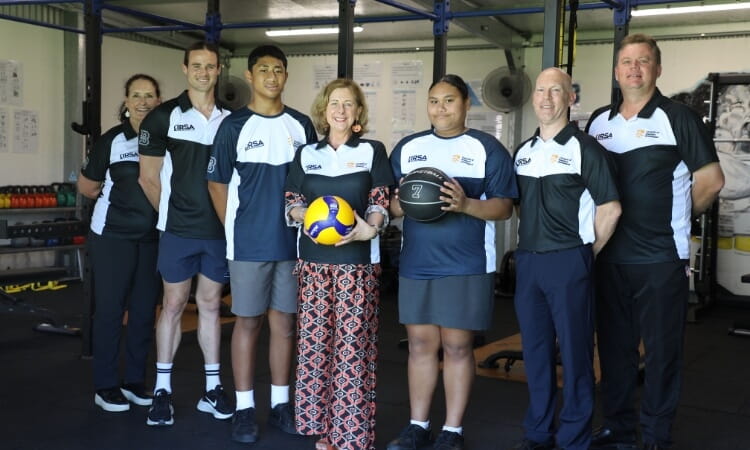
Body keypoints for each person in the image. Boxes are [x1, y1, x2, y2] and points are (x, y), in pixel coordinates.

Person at [586, 34, 725, 450]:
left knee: (663, 352)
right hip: (608, 257)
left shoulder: (679, 117)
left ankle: (656, 435)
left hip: (661, 257)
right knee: (614, 350)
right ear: (616, 71)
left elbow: (711, 181)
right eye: (627, 61)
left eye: (643, 61)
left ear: (657, 69)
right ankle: (618, 427)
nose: (634, 68)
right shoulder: (598, 122)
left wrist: (678, 218)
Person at [387, 74, 517, 450]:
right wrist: (401, 203)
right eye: (433, 101)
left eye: (448, 100)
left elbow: (505, 208)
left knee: (458, 346)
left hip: (466, 263)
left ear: (466, 105)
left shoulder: (486, 148)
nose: (440, 108)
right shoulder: (409, 148)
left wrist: (466, 205)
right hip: (417, 262)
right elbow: (393, 204)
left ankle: (452, 431)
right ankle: (417, 425)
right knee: (420, 345)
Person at [206, 44, 317, 444]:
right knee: (247, 323)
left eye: (280, 70)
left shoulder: (302, 125)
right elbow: (216, 185)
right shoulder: (232, 127)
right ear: (250, 76)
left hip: (293, 245)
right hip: (247, 245)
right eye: (264, 70)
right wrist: (236, 230)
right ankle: (244, 407)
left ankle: (281, 403)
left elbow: (311, 181)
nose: (272, 77)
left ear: (286, 76)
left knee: (285, 324)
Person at [512, 67, 621, 450]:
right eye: (540, 90)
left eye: (555, 91)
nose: (546, 98)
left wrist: (583, 254)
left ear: (570, 97)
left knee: (575, 352)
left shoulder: (585, 148)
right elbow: (520, 209)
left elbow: (610, 209)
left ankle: (574, 437)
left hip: (569, 260)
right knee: (536, 351)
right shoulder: (522, 153)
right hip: (528, 262)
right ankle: (538, 432)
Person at [285, 78, 393, 450]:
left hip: (357, 265)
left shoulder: (372, 151)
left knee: (352, 349)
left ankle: (350, 436)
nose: (341, 110)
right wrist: (305, 217)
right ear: (324, 108)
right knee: (315, 348)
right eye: (335, 103)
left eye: (349, 104)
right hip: (313, 264)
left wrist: (369, 230)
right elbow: (292, 200)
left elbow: (380, 200)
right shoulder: (306, 153)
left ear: (358, 112)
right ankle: (323, 429)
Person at [138, 41, 233, 427]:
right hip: (178, 231)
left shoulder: (231, 119)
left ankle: (212, 390)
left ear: (218, 70)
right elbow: (148, 178)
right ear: (184, 68)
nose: (203, 72)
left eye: (210, 66)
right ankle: (162, 390)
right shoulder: (162, 117)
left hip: (217, 232)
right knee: (174, 305)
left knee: (210, 306)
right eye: (197, 65)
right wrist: (174, 215)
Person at [78, 74, 162, 413]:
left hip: (153, 238)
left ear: (159, 101)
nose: (143, 101)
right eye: (136, 95)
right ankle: (106, 385)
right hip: (112, 237)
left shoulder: (165, 138)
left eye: (150, 95)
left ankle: (134, 382)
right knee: (111, 311)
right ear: (126, 102)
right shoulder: (112, 140)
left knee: (144, 312)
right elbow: (88, 187)